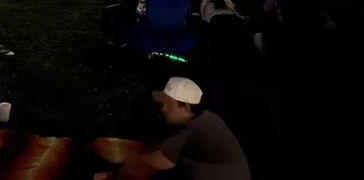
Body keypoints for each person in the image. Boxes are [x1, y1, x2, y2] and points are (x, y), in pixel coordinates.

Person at [94, 77, 250, 180]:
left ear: (185, 106)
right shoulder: (210, 118)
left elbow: (144, 167)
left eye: (167, 105)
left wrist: (110, 176)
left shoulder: (189, 136)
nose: (163, 110)